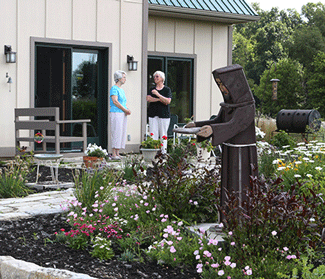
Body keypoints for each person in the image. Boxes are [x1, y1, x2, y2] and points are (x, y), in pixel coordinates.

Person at [146, 71, 172, 154]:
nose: (155, 78)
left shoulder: (167, 89)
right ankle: (154, 151)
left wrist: (158, 94)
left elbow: (168, 101)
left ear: (162, 78)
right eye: (154, 77)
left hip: (164, 115)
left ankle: (163, 152)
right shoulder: (151, 89)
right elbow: (148, 99)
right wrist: (160, 100)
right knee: (153, 134)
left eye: (157, 76)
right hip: (153, 114)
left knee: (163, 134)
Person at [110, 70, 131, 160]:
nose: (125, 79)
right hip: (116, 113)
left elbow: (123, 102)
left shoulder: (121, 90)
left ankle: (118, 152)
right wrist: (125, 110)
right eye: (124, 77)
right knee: (116, 131)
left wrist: (127, 109)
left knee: (121, 132)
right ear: (118, 78)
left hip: (122, 113)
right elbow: (115, 101)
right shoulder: (114, 88)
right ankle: (113, 153)